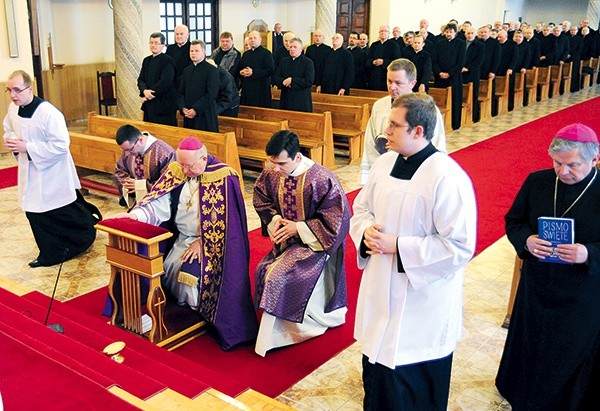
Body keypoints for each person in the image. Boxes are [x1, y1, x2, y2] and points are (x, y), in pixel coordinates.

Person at [350, 93, 477, 411]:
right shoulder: (383, 164)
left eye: (394, 125)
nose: (385, 131)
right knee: (377, 378)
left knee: (411, 388)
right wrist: (365, 231)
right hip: (381, 288)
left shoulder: (447, 176)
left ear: (418, 131)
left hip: (422, 304)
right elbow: (361, 208)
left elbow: (460, 246)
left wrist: (400, 247)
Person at [115, 136, 258, 351]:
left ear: (202, 158)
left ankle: (202, 315)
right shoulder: (177, 170)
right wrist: (136, 216)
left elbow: (230, 223)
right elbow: (159, 202)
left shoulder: (223, 176)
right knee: (167, 269)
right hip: (181, 238)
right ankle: (183, 309)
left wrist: (203, 242)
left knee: (190, 276)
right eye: (181, 164)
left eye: (188, 166)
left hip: (212, 243)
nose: (184, 170)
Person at [496, 123, 600, 410]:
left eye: (573, 165)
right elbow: (514, 221)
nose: (563, 172)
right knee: (531, 345)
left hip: (581, 295)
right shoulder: (537, 181)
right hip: (537, 287)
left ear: (595, 159)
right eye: (557, 163)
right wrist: (527, 240)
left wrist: (588, 253)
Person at [253, 130, 351, 356]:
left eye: (281, 164)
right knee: (263, 270)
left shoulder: (321, 179)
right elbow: (261, 197)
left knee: (278, 276)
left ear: (297, 157)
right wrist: (276, 220)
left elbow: (337, 221)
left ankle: (291, 331)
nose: (275, 169)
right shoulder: (273, 171)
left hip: (314, 245)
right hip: (287, 244)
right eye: (272, 162)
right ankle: (277, 329)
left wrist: (298, 228)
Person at [3, 70, 100, 267]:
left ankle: (81, 237)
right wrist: (13, 141)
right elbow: (9, 128)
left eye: (17, 90)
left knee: (57, 210)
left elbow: (61, 145)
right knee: (33, 210)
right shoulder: (13, 109)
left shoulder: (48, 113)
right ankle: (50, 252)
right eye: (9, 90)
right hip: (30, 170)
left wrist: (28, 147)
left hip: (51, 172)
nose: (13, 95)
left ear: (30, 88)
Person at [359, 59, 446, 185]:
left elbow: (437, 146)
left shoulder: (426, 110)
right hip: (384, 173)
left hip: (416, 176)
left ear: (412, 83)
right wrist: (370, 179)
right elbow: (370, 144)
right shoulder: (379, 106)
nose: (392, 87)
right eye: (389, 81)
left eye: (398, 83)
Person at [114, 124, 176, 207]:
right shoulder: (128, 150)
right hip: (135, 203)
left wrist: (141, 186)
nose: (127, 153)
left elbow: (169, 182)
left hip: (157, 204)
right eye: (124, 150)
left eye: (130, 149)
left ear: (141, 140)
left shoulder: (165, 152)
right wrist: (128, 184)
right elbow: (120, 170)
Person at [177, 40, 220, 132]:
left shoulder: (212, 70)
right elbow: (180, 92)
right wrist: (183, 108)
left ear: (204, 52)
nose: (193, 53)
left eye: (197, 51)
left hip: (205, 114)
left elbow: (212, 93)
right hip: (188, 114)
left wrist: (196, 109)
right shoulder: (186, 71)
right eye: (191, 51)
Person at [137, 32, 178, 126]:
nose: (153, 45)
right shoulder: (146, 60)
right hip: (149, 104)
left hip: (164, 105)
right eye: (151, 42)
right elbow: (141, 79)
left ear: (163, 45)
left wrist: (148, 94)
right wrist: (144, 90)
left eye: (156, 43)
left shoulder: (167, 60)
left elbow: (165, 82)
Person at [432, 23, 465, 130]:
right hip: (440, 77)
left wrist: (450, 73)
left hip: (453, 78)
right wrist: (439, 72)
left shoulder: (461, 43)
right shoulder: (439, 43)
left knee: (454, 100)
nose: (448, 34)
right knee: (439, 100)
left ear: (455, 32)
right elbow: (434, 60)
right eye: (447, 32)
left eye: (451, 32)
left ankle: (454, 124)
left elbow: (460, 62)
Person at [273, 37, 314, 112]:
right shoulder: (284, 61)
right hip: (286, 99)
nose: (292, 49)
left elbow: (309, 81)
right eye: (290, 47)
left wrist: (292, 81)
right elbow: (276, 78)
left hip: (301, 100)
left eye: (295, 47)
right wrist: (283, 82)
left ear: (301, 49)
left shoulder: (308, 62)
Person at [238, 30, 275, 108]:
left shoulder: (266, 53)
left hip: (261, 89)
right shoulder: (246, 54)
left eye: (255, 38)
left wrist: (253, 72)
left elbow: (270, 70)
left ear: (260, 39)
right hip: (247, 89)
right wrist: (241, 72)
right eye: (250, 38)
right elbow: (240, 68)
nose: (252, 40)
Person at [461, 26, 485, 122]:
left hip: (472, 74)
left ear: (475, 34)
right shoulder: (461, 44)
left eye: (472, 33)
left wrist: (468, 68)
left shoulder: (480, 46)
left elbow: (479, 61)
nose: (470, 35)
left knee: (473, 95)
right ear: (465, 34)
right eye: (468, 33)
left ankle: (473, 117)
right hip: (460, 73)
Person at [367, 25, 401, 91]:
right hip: (374, 76)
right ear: (379, 33)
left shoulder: (394, 45)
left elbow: (397, 61)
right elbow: (367, 60)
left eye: (385, 31)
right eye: (381, 31)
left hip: (386, 75)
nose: (383, 33)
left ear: (389, 33)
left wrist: (383, 62)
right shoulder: (374, 45)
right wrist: (373, 62)